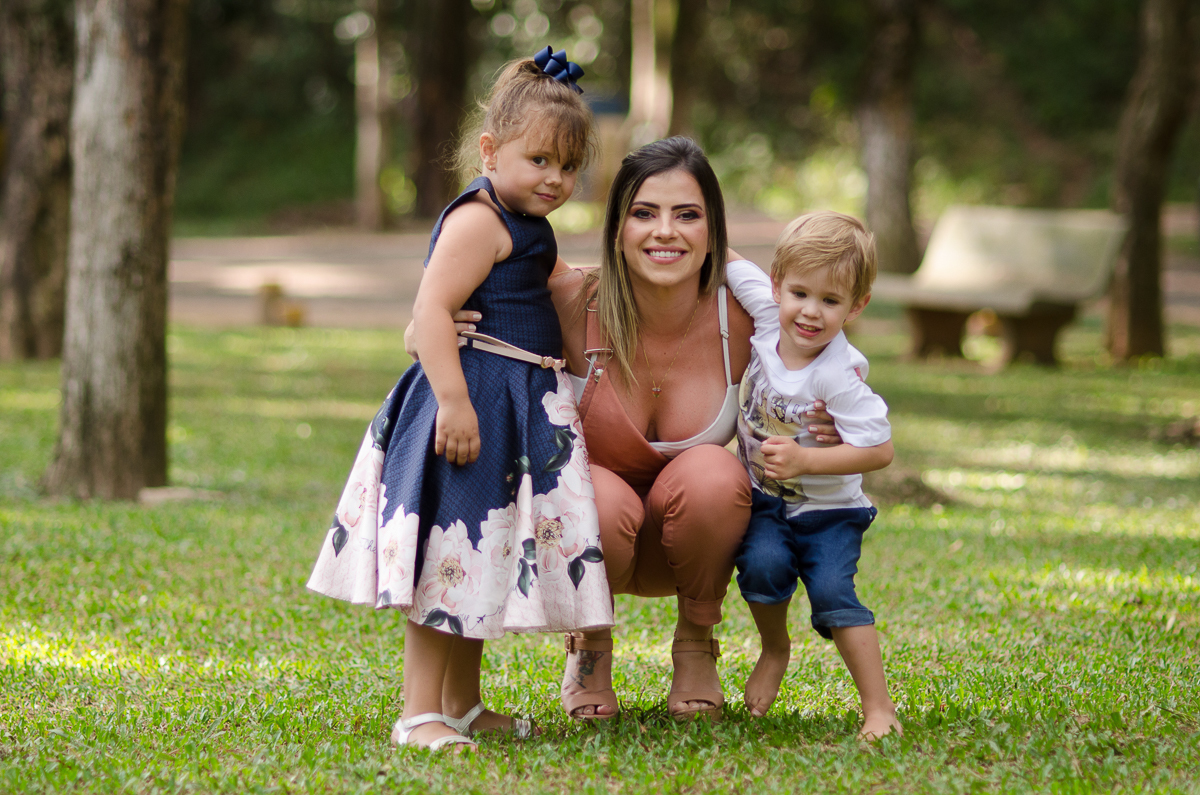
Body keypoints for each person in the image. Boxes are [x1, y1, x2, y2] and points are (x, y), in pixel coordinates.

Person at [419, 137, 844, 722]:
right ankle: (589, 647)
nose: (665, 231)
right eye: (644, 213)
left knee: (715, 473)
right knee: (595, 489)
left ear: (713, 231)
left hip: (696, 534)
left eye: (687, 215)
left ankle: (696, 644)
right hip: (594, 529)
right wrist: (421, 329)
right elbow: (457, 307)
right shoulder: (570, 302)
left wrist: (828, 426)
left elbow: (826, 358)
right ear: (617, 227)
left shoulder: (747, 321)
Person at [306, 48, 613, 751]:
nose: (555, 178)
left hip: (511, 407)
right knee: (450, 551)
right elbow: (431, 309)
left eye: (569, 166)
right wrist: (453, 401)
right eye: (539, 159)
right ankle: (419, 712)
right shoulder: (479, 219)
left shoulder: (528, 225)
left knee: (482, 555)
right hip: (471, 405)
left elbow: (560, 282)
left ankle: (462, 704)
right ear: (490, 150)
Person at [724, 211, 901, 739]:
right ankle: (775, 649)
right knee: (762, 568)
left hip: (829, 512)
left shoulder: (838, 375)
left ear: (856, 306)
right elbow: (724, 258)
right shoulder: (765, 318)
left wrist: (807, 462)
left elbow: (881, 450)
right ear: (777, 285)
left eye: (830, 301)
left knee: (832, 594)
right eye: (800, 293)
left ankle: (879, 709)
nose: (810, 312)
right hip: (764, 501)